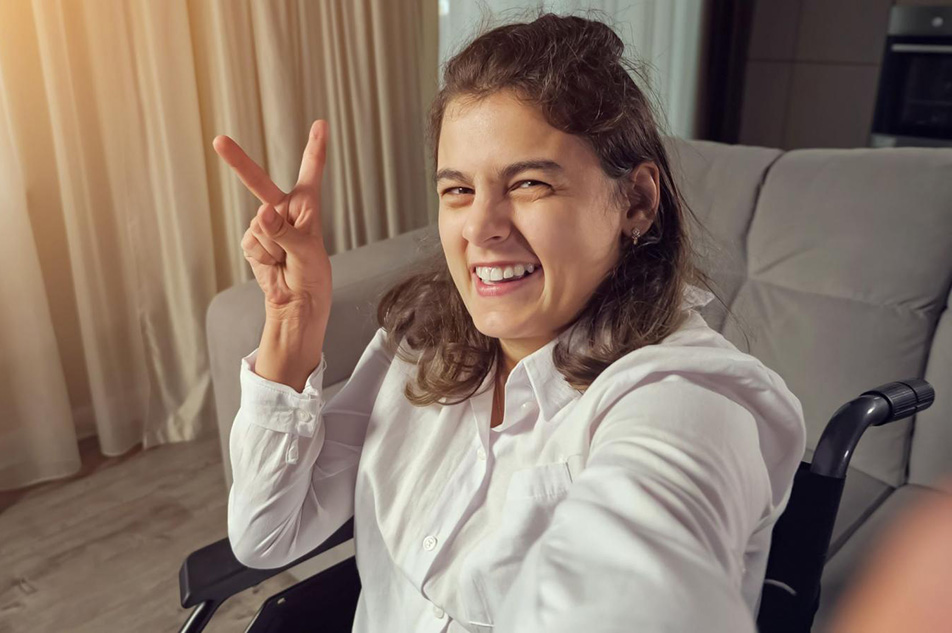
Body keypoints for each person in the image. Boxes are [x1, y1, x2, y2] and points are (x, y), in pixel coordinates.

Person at [214, 12, 807, 633]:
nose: (479, 226)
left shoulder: (684, 398)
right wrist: (293, 318)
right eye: (458, 191)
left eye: (527, 183)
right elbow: (267, 534)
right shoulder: (421, 344)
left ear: (636, 200)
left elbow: (640, 577)